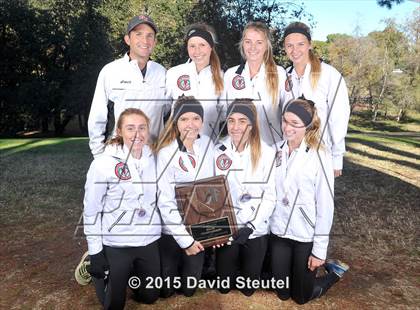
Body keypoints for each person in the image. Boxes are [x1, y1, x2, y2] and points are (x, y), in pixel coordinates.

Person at [78, 108, 161, 309]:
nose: (137, 134)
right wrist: (96, 250)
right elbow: (91, 210)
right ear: (119, 131)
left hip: (147, 239)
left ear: (148, 130)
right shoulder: (103, 164)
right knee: (114, 305)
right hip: (116, 242)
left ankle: (128, 271)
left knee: (150, 296)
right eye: (130, 128)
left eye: (142, 128)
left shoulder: (155, 157)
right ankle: (92, 261)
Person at [270, 98, 349, 304]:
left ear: (308, 125)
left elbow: (326, 205)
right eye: (285, 121)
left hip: (305, 233)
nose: (288, 127)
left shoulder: (320, 155)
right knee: (282, 292)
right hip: (279, 229)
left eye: (295, 123)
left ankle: (334, 273)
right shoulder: (275, 149)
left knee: (301, 297)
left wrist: (319, 250)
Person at [213, 98, 276, 296]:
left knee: (248, 290)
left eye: (242, 121)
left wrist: (251, 226)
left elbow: (270, 197)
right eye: (231, 121)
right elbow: (212, 194)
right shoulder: (217, 150)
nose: (235, 126)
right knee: (224, 287)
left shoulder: (267, 152)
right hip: (228, 226)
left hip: (254, 228)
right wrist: (220, 227)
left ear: (251, 124)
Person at [155, 96, 215, 297]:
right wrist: (185, 240)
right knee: (165, 291)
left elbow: (214, 191)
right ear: (175, 122)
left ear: (202, 121)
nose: (191, 124)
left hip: (198, 225)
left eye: (196, 118)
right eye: (184, 119)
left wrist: (218, 230)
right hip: (172, 229)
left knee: (189, 290)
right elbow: (165, 201)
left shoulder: (208, 143)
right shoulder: (166, 151)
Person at [88, 14, 168, 157]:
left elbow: (170, 112)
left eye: (150, 36)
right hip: (121, 154)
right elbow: (97, 116)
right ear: (127, 39)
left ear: (155, 41)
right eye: (138, 34)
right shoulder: (110, 71)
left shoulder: (163, 72)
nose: (145, 40)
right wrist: (98, 154)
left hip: (155, 155)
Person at [282, 22, 350, 177]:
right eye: (289, 45)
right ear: (285, 48)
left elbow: (339, 117)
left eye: (301, 44)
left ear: (310, 45)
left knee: (318, 201)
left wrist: (336, 158)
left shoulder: (329, 74)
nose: (295, 50)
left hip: (319, 152)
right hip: (290, 152)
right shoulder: (284, 76)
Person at [223, 21, 287, 145]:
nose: (253, 47)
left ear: (266, 46)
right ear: (242, 44)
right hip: (239, 151)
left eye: (259, 42)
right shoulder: (230, 75)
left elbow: (289, 116)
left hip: (271, 150)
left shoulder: (279, 74)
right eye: (248, 42)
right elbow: (222, 115)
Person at [166, 23, 224, 141]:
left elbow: (224, 113)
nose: (197, 51)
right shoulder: (174, 73)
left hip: (208, 145)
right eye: (192, 46)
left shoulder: (221, 76)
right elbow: (164, 108)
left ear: (211, 47)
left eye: (202, 45)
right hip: (177, 146)